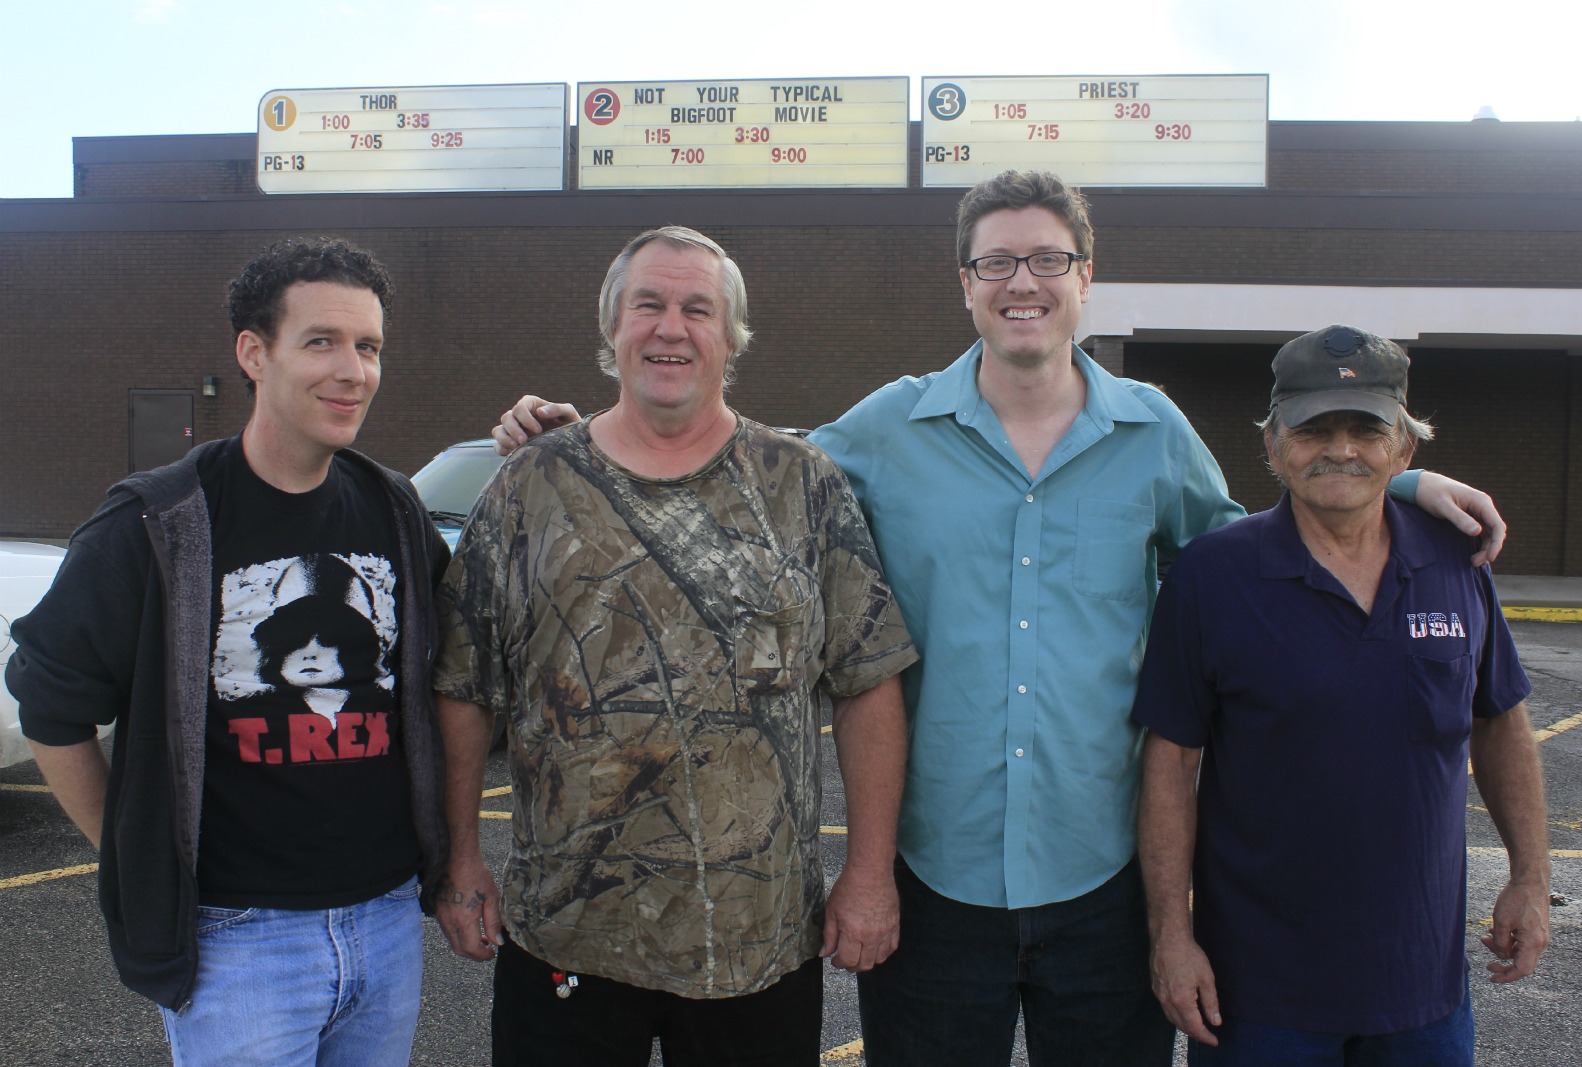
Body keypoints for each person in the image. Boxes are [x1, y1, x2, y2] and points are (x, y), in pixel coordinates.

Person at [491, 172, 1509, 1065]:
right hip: (934, 875)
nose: (1023, 281)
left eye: (1047, 259)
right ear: (965, 284)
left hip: (1105, 873)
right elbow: (725, 460)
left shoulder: (1152, 430)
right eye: (996, 262)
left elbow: (1257, 548)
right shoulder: (885, 429)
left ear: (1084, 276)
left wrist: (1400, 478)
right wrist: (580, 436)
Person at [432, 225, 918, 1066]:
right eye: (647, 304)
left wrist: (869, 872)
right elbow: (464, 685)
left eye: (698, 308)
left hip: (756, 944)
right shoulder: (529, 484)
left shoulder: (803, 484)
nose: (670, 327)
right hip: (567, 937)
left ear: (730, 338)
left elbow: (869, 683)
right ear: (611, 330)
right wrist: (461, 855)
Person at [6, 238, 451, 1066]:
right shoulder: (156, 520)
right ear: (254, 353)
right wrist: (133, 853)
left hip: (386, 921)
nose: (352, 369)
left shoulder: (393, 509)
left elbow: (459, 670)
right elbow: (50, 700)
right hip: (236, 939)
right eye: (321, 341)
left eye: (369, 346)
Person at [1133, 324, 1549, 1066]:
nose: (1341, 448)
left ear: (1404, 449)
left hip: (1425, 994)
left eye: (1366, 428)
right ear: (1272, 445)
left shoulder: (1458, 561)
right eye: (1313, 428)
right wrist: (1172, 934)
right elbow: (1170, 765)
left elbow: (1501, 720)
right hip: (1258, 997)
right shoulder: (1210, 577)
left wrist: (1530, 877)